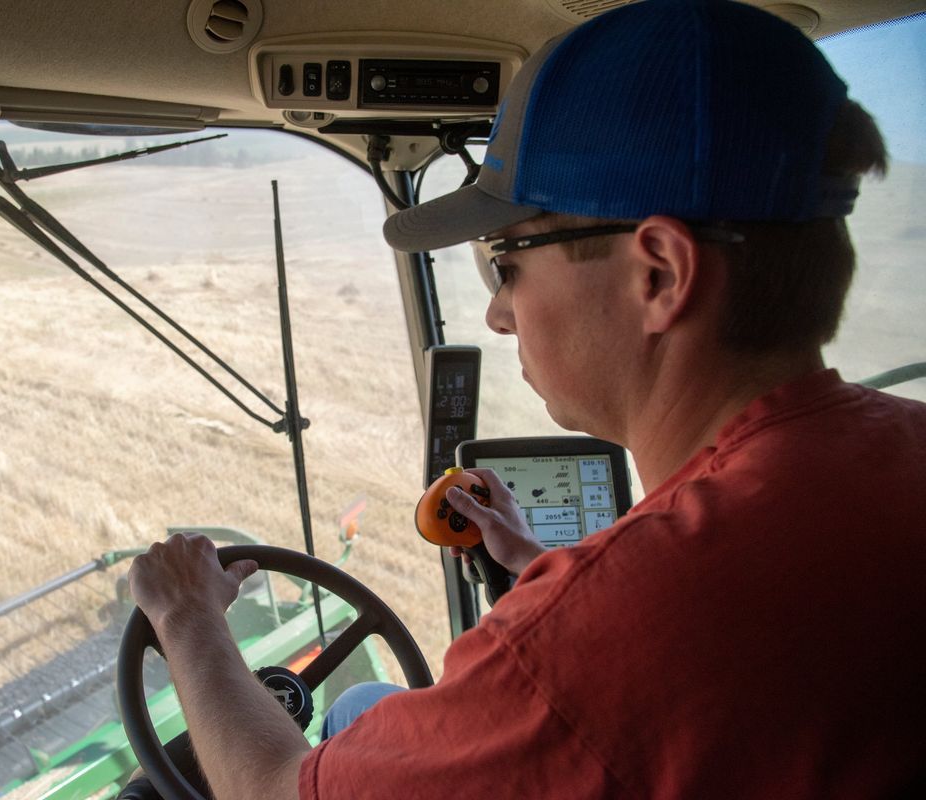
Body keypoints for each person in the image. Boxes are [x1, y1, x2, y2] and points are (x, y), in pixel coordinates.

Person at [126, 0, 926, 797]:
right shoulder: (900, 454)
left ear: (660, 276)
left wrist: (190, 618)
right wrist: (548, 569)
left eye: (506, 262)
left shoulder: (587, 644)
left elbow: (272, 789)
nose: (498, 314)